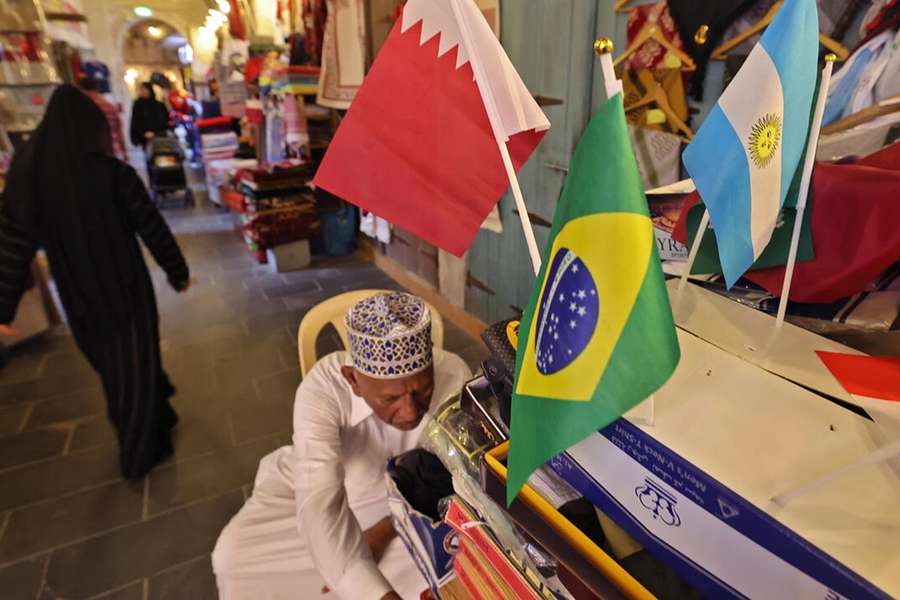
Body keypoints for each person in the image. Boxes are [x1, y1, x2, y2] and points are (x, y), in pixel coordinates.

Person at [212, 292, 472, 600]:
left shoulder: (454, 375)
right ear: (353, 380)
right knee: (234, 556)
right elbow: (319, 499)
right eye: (390, 399)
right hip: (312, 488)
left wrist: (384, 529)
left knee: (449, 568)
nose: (410, 411)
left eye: (423, 390)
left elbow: (448, 480)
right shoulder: (323, 387)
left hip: (408, 501)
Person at [0, 85, 190, 479]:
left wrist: (3, 304)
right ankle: (139, 454)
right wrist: (177, 272)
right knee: (134, 361)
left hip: (76, 291)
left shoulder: (27, 177)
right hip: (125, 284)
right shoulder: (113, 173)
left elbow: (12, 242)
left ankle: (159, 414)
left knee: (115, 366)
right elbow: (151, 227)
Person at [78, 76, 128, 161]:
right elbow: (119, 131)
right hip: (114, 152)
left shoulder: (80, 107)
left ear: (81, 89)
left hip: (92, 157)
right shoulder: (109, 106)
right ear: (97, 88)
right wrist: (124, 152)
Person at [129, 82, 169, 149]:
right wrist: (142, 133)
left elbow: (165, 120)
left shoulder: (159, 105)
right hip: (145, 137)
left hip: (160, 136)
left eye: (144, 89)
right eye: (141, 89)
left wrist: (156, 132)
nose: (142, 91)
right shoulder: (138, 104)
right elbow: (136, 121)